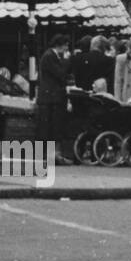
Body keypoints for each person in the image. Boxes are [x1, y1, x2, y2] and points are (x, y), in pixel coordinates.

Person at [38, 34, 74, 166]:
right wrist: (66, 60)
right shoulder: (50, 57)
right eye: (66, 45)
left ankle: (53, 155)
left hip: (53, 97)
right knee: (51, 127)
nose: (67, 48)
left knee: (53, 127)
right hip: (51, 98)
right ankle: (51, 156)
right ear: (60, 44)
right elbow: (60, 74)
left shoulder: (52, 56)